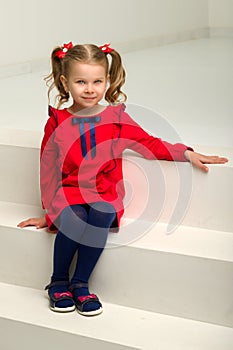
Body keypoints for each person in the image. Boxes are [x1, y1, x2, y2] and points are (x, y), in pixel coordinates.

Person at [18, 42, 228, 316]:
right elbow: (47, 168)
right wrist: (48, 212)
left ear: (107, 81)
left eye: (97, 81)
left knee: (101, 214)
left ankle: (81, 282)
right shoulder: (57, 121)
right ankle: (58, 281)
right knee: (72, 217)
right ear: (65, 82)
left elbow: (149, 143)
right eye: (81, 82)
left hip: (104, 190)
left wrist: (186, 154)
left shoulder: (116, 118)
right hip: (70, 190)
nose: (90, 89)